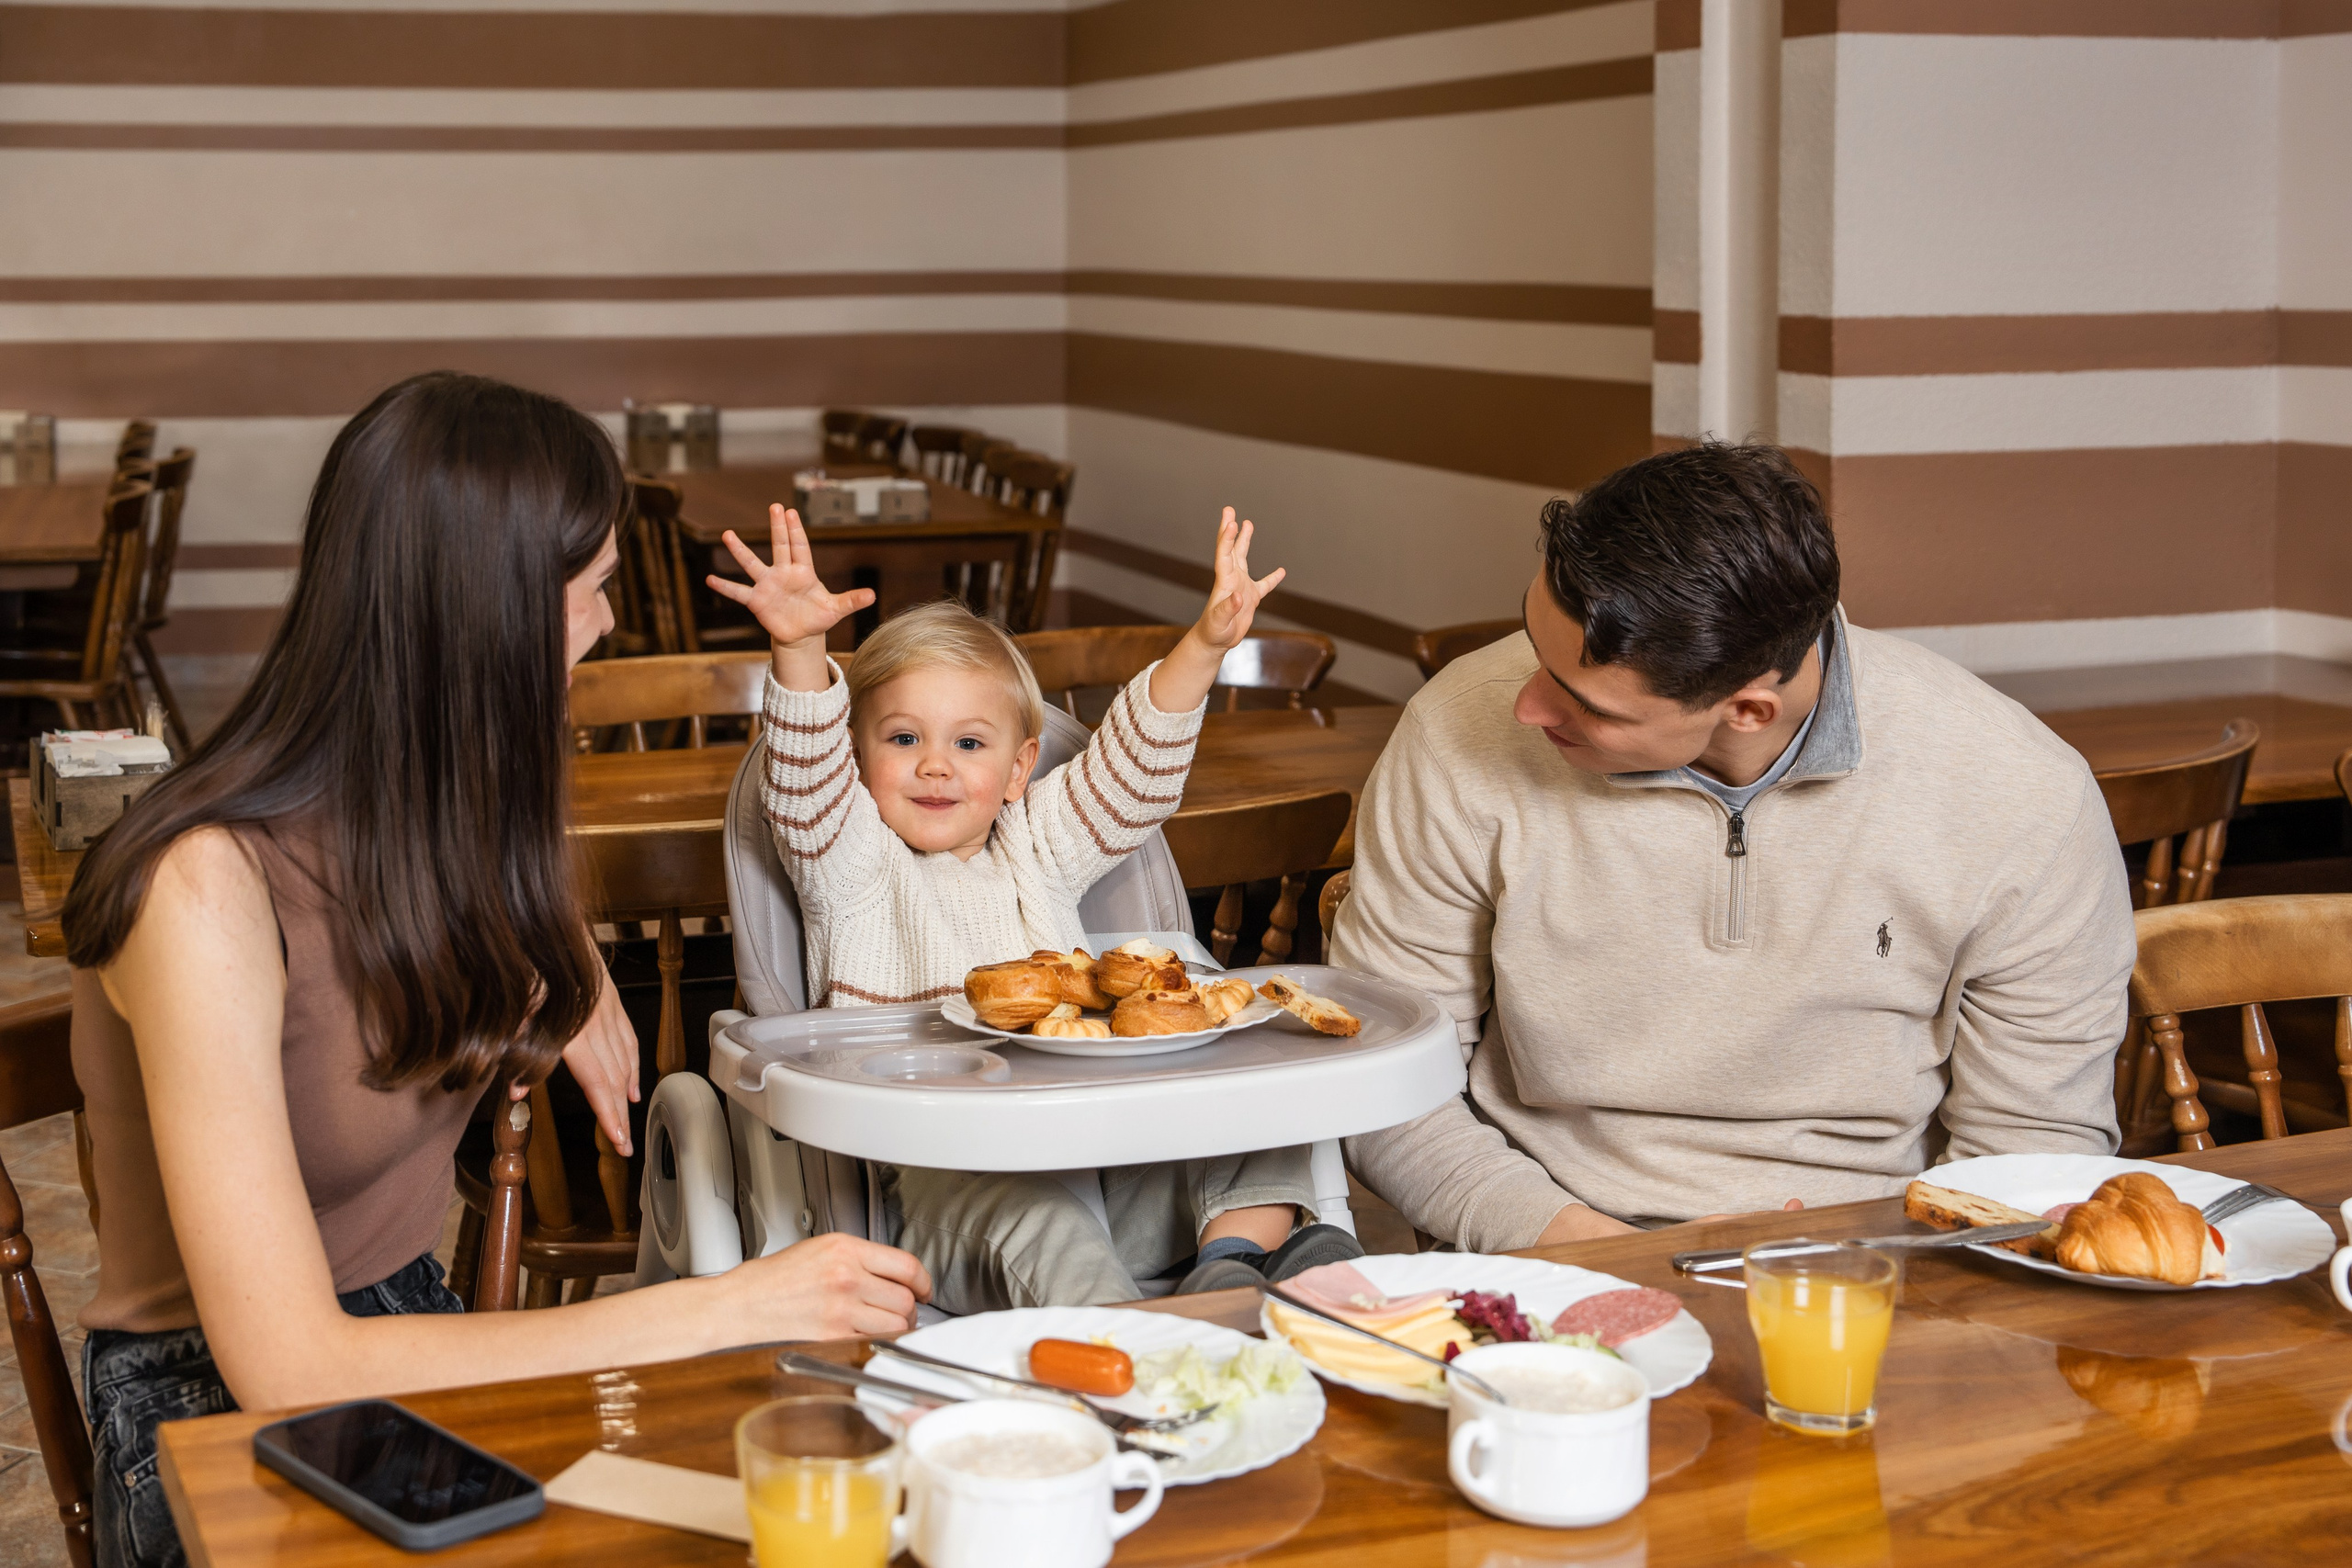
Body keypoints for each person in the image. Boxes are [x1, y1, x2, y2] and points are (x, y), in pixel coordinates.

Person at [64, 374, 931, 1568]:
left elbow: (513, 856)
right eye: (587, 596)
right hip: (208, 1405)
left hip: (411, 1334)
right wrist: (732, 1304)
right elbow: (290, 1364)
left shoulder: (441, 805)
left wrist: (556, 955)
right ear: (479, 614)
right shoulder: (203, 885)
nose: (607, 626)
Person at [1334, 441, 2136, 1248]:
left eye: (1584, 701)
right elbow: (1382, 1089)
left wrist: (1870, 1269)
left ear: (1748, 710)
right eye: (1535, 649)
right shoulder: (1453, 732)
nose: (1525, 707)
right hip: (1551, 1248)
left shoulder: (2024, 795)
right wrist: (1588, 1246)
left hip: (1891, 1257)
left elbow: (2034, 1147)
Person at [710, 502, 1362, 1310]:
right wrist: (801, 648)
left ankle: (1225, 1270)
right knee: (1041, 1221)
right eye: (904, 739)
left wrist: (1203, 648)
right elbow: (803, 779)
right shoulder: (852, 864)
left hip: (1096, 1149)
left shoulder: (1035, 845)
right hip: (947, 1186)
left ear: (1020, 769)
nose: (936, 767)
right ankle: (1137, 1344)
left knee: (1262, 1120)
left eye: (970, 744)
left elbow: (1131, 773)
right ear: (856, 756)